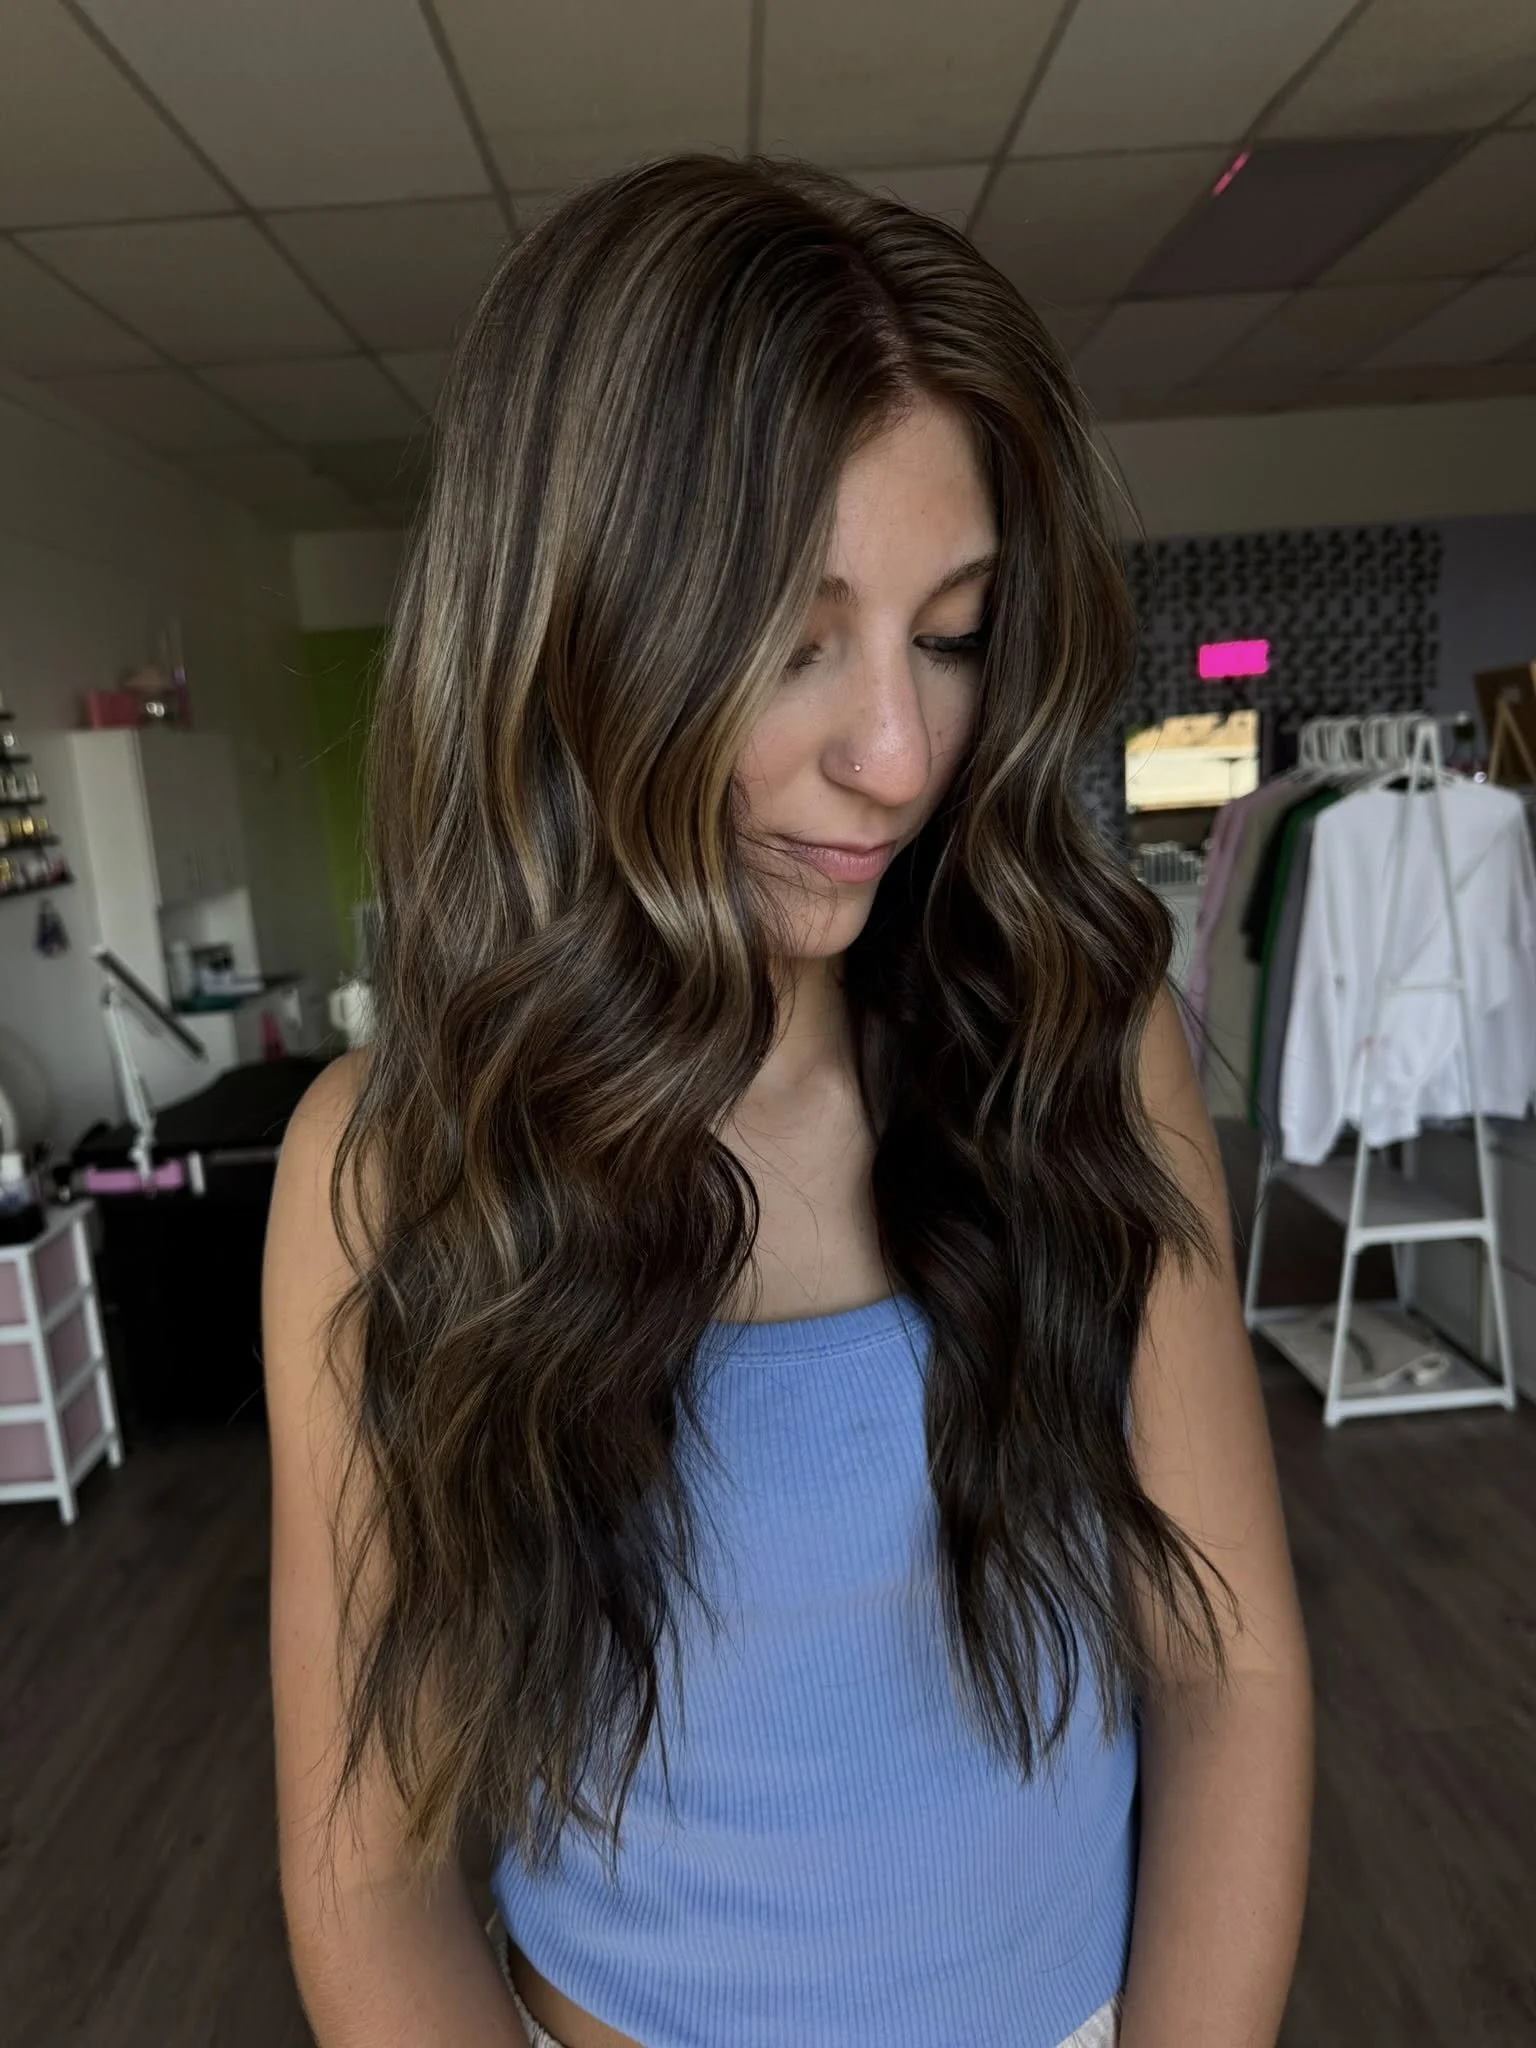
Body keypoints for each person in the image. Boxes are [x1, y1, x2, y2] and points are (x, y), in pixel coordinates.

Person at [263, 155, 1312, 2048]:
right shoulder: (394, 1173)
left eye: (950, 629)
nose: (898, 755)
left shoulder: (1081, 1045)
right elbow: (372, 1871)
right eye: (790, 634)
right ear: (572, 637)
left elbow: (1225, 1671)